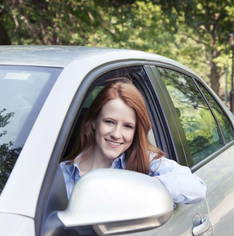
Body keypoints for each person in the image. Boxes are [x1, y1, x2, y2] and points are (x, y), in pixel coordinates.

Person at [60, 78, 206, 204]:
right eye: (109, 122)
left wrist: (138, 188)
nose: (116, 134)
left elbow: (196, 187)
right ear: (93, 122)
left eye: (128, 126)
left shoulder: (146, 162)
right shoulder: (61, 172)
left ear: (136, 132)